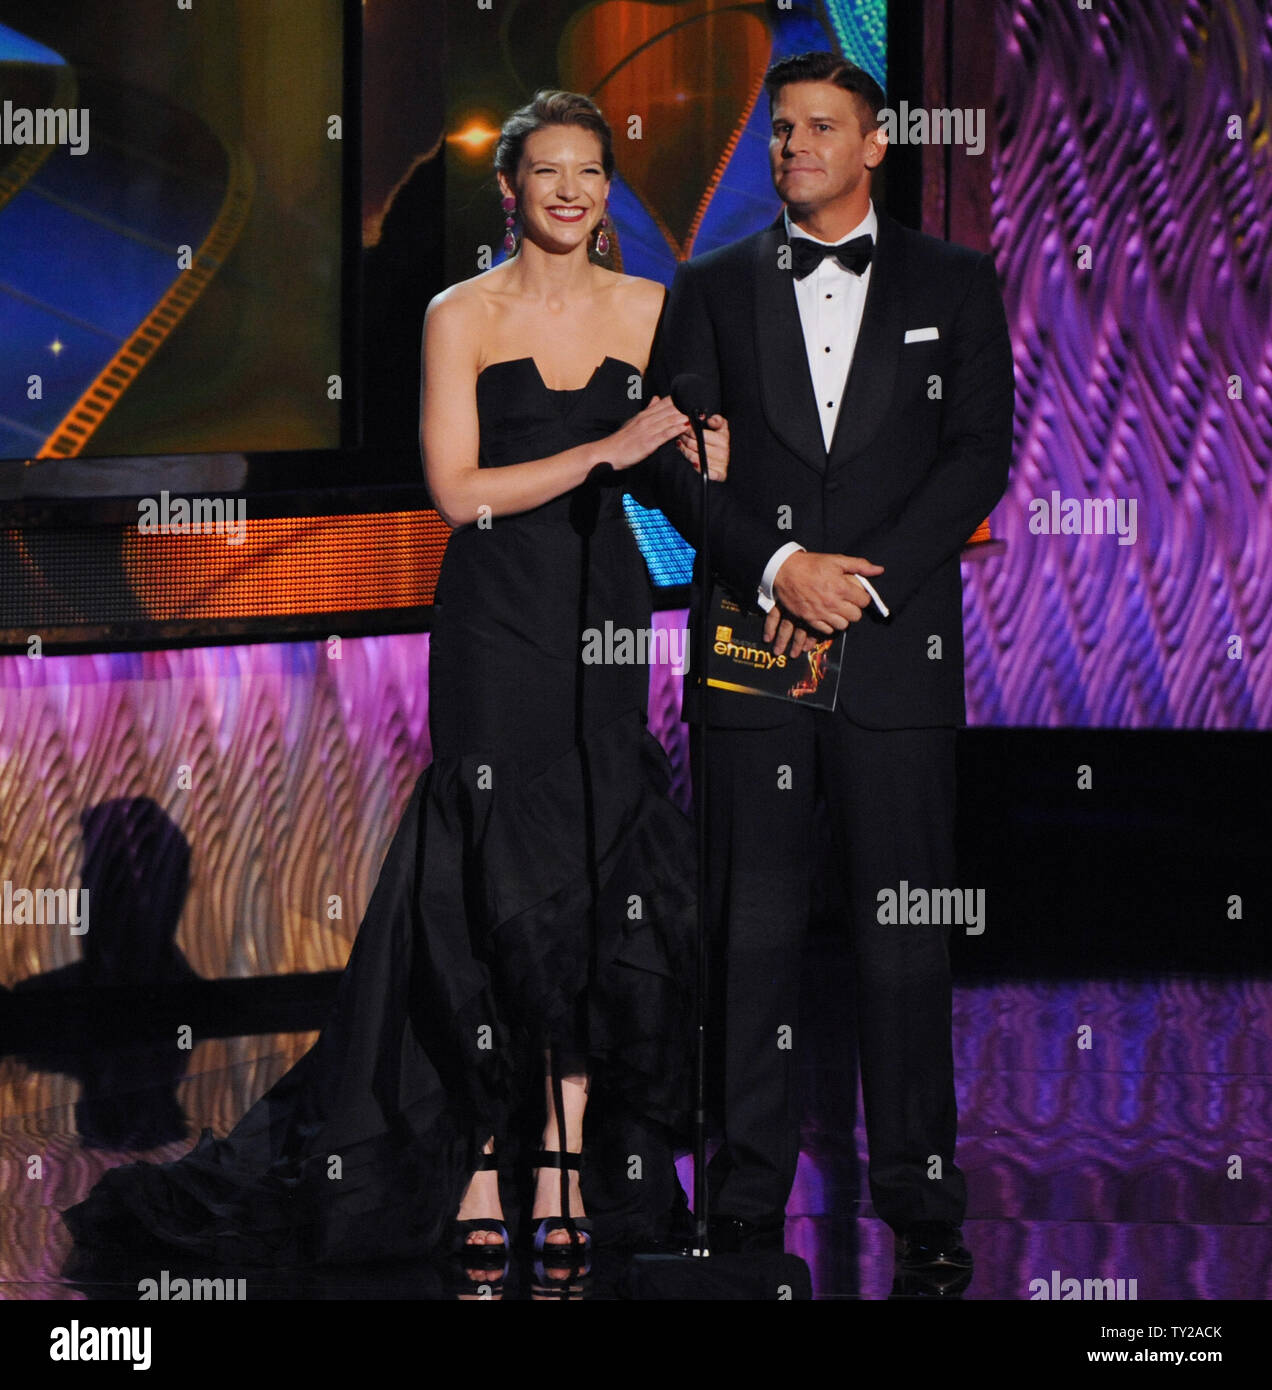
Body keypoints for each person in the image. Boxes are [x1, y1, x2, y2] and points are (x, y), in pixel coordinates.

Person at [62, 90, 725, 1271]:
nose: (573, 190)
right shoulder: (457, 313)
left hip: (604, 617)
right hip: (493, 618)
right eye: (550, 170)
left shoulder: (654, 309)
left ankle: (569, 1151)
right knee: (480, 882)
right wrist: (603, 450)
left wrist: (709, 461)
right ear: (511, 188)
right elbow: (457, 492)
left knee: (590, 871)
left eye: (592, 171)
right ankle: (472, 1149)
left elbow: (675, 484)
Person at [645, 52, 1015, 1274]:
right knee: (750, 926)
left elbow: (978, 455)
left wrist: (859, 579)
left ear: (875, 144)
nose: (791, 144)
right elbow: (669, 458)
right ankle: (744, 1189)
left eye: (818, 127)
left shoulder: (958, 282)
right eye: (781, 127)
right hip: (756, 646)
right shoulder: (706, 285)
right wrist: (776, 568)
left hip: (897, 648)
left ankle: (917, 1189)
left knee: (902, 928)